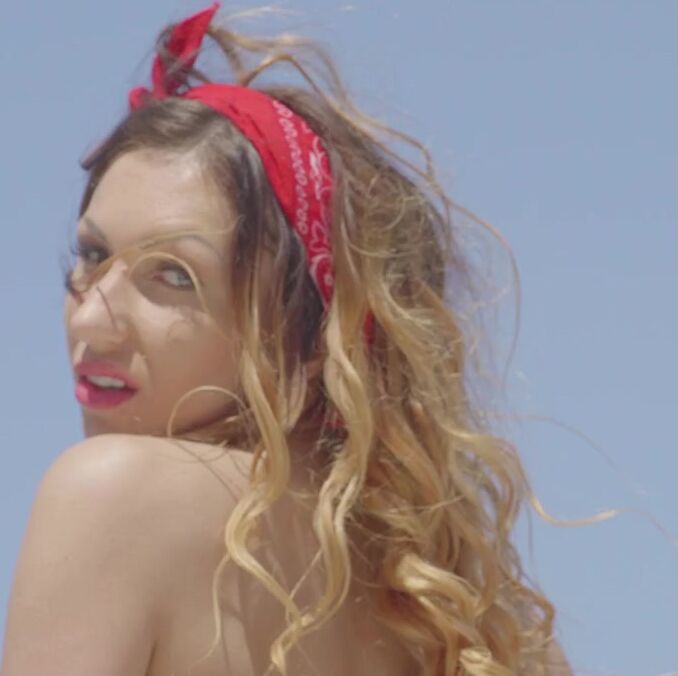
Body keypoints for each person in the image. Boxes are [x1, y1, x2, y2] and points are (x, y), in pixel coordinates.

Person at [1, 3, 572, 674]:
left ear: (307, 330)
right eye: (93, 255)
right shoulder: (462, 614)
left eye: (174, 276)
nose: (90, 319)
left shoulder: (112, 497)